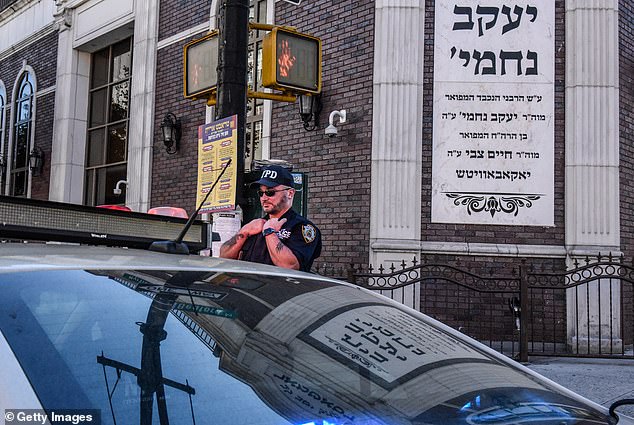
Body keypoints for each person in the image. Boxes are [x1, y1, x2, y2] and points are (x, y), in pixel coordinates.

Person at [219, 165, 321, 272]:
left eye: (270, 192)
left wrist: (269, 232)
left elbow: (290, 266)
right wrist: (244, 232)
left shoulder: (301, 227)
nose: (264, 198)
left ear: (290, 193)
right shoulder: (255, 226)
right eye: (260, 193)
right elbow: (224, 257)